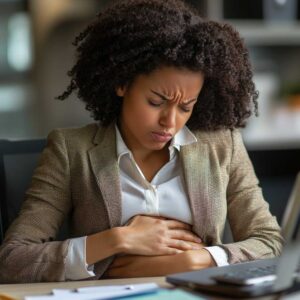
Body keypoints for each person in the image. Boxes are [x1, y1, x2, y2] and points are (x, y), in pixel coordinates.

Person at [0, 0, 283, 283]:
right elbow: (12, 261)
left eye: (186, 107)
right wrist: (118, 240)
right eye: (155, 101)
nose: (170, 122)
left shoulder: (223, 146)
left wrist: (196, 260)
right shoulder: (70, 150)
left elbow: (270, 242)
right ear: (122, 83)